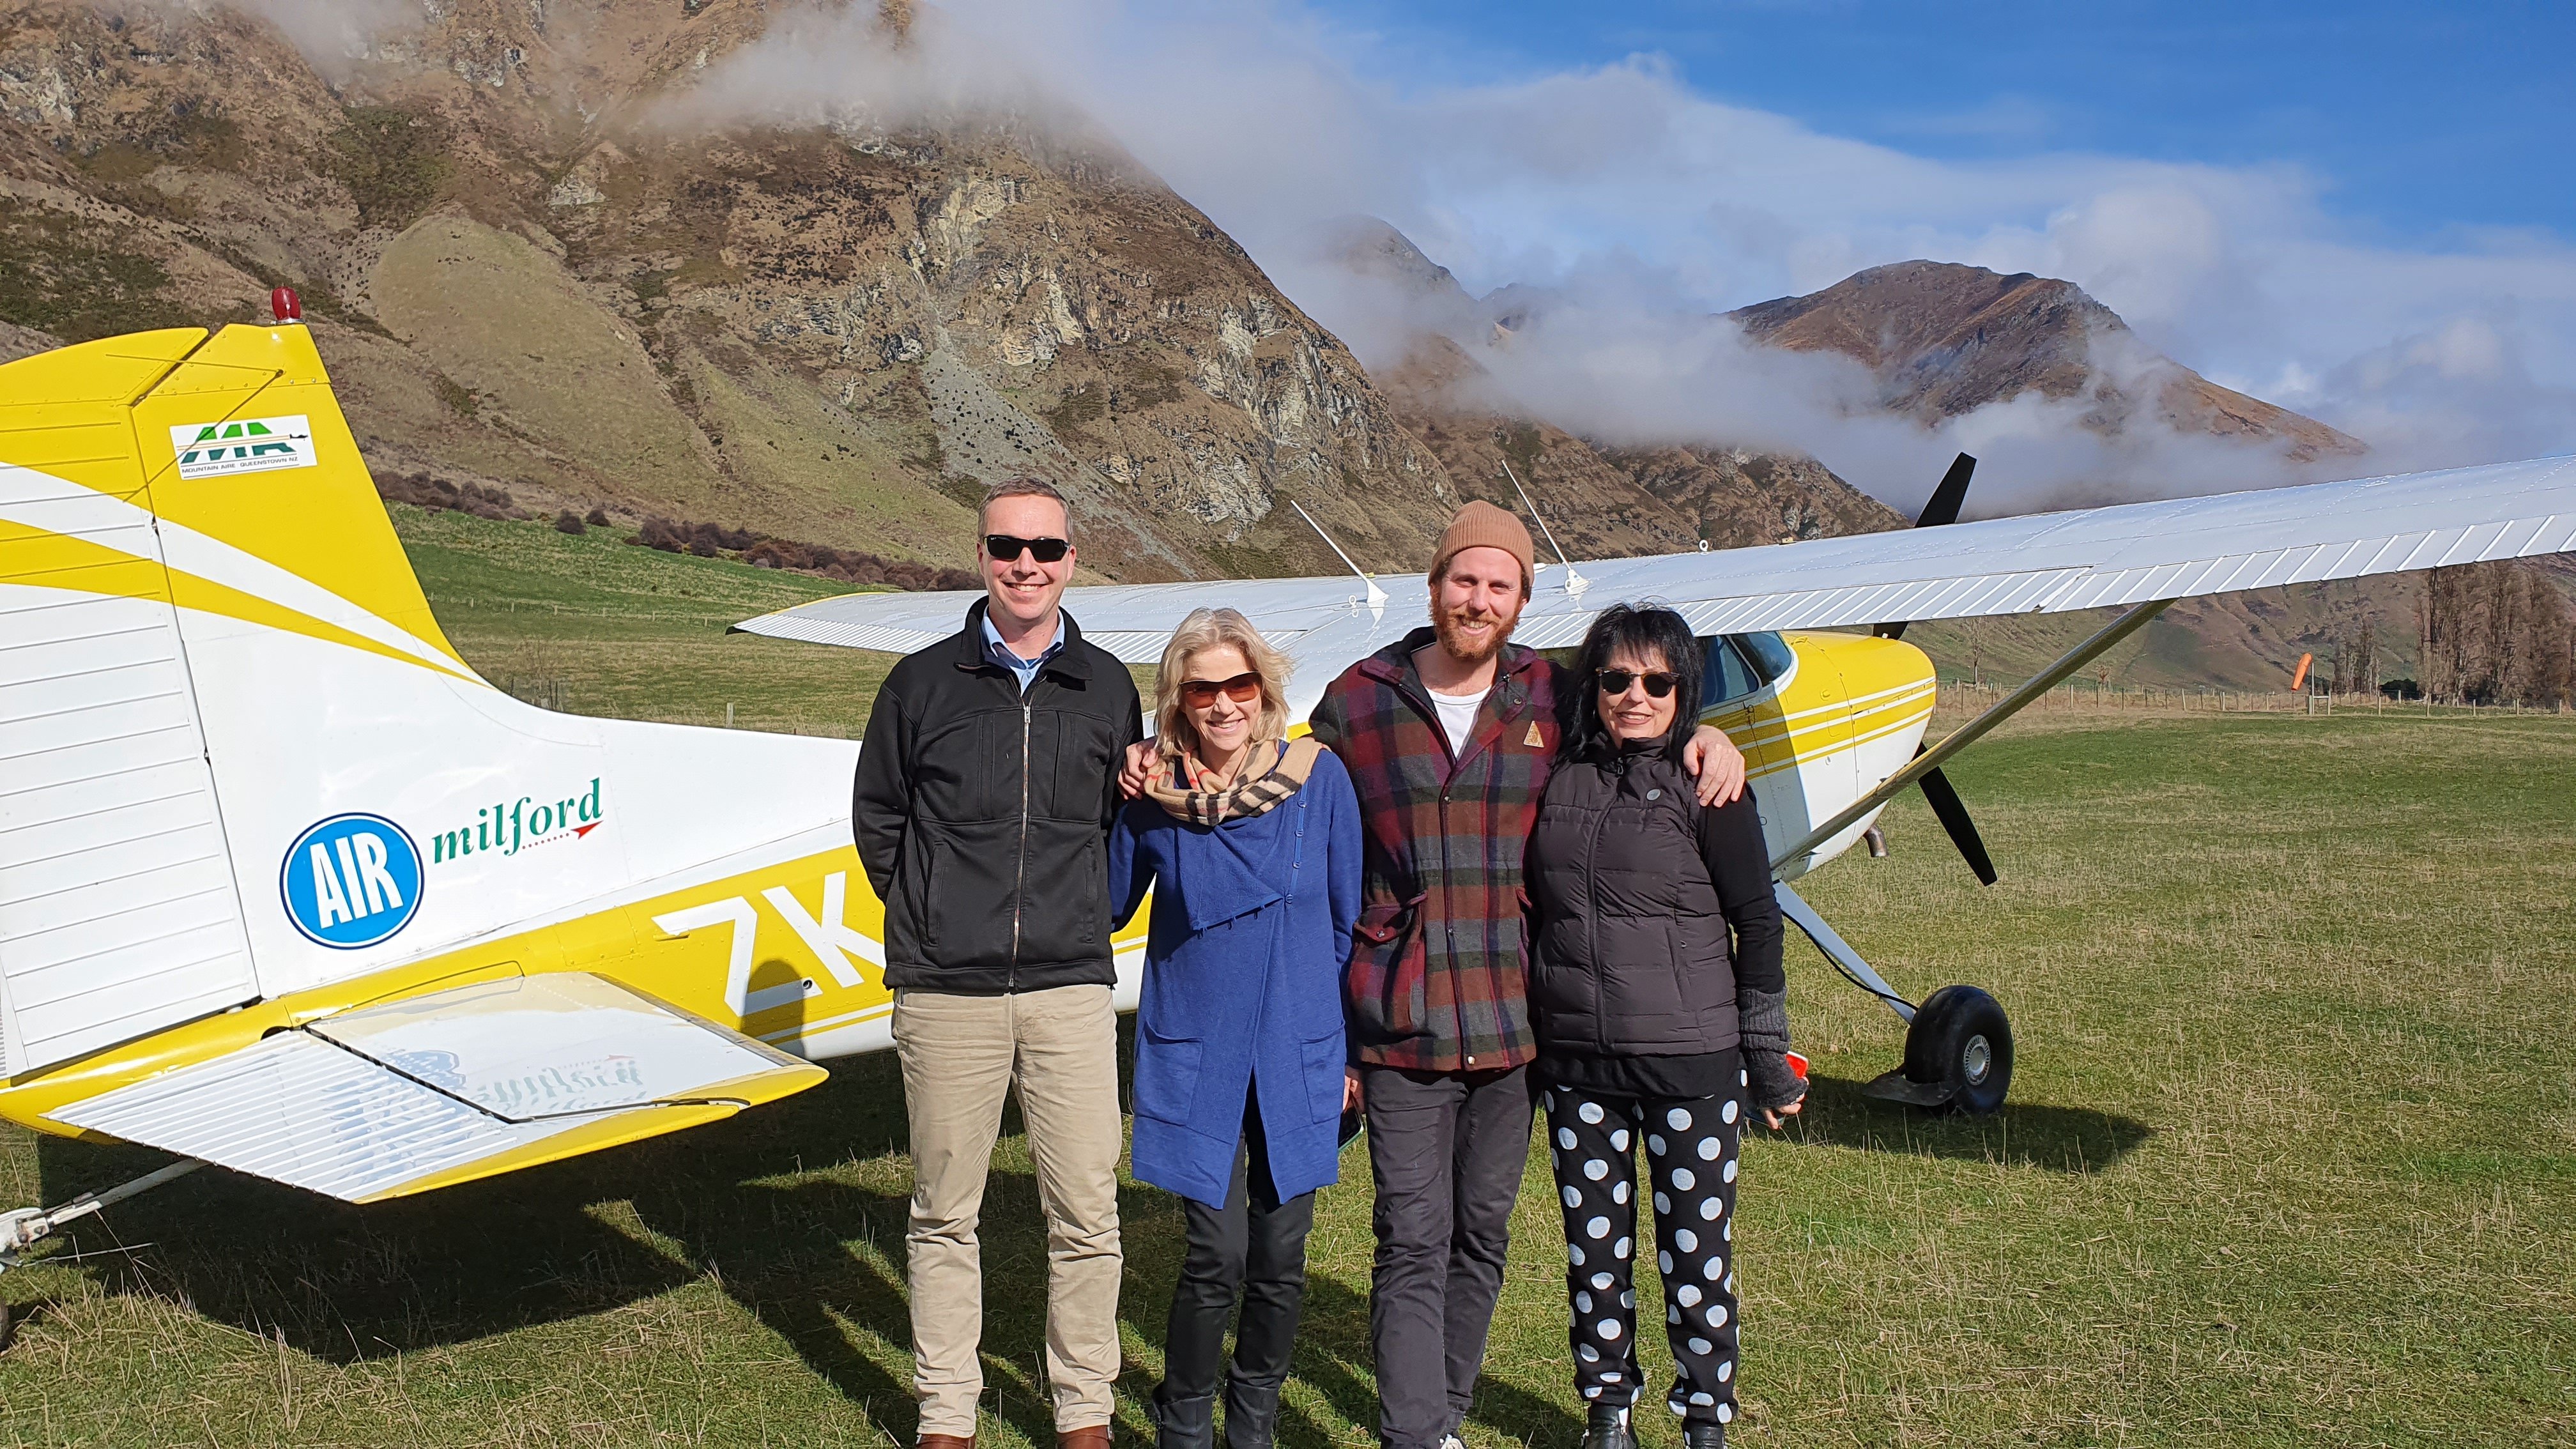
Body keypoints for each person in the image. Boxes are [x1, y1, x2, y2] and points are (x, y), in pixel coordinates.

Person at [1126, 502, 1747, 1449]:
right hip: (1401, 1007)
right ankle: (1414, 1434)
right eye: (1465, 579)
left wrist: (1710, 738)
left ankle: (1448, 1414)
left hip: (1515, 1012)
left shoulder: (1557, 694)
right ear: (1434, 586)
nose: (1479, 598)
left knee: (1482, 1235)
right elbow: (1265, 770)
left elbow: (1643, 715)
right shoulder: (1360, 697)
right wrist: (1157, 758)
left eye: (1501, 585)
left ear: (1522, 599)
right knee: (1412, 1235)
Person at [852, 477, 1140, 1449]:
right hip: (947, 991)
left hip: (1067, 987)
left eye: (1046, 548)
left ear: (1072, 558)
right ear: (981, 556)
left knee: (1087, 1213)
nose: (1027, 565)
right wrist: (932, 915)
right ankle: (946, 1415)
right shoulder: (922, 683)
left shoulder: (1106, 685)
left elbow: (1122, 822)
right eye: (1007, 547)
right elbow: (881, 819)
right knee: (943, 1214)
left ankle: (1085, 1413)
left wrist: (1087, 917)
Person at [1526, 604, 1806, 1449]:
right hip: (1578, 1066)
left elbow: (1757, 923)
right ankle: (1608, 1414)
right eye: (1615, 679)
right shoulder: (1557, 775)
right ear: (1593, 686)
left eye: (1659, 682)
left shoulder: (1710, 783)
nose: (1635, 696)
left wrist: (1766, 1059)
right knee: (1594, 1259)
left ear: (1683, 690)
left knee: (1695, 1259)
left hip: (1692, 1063)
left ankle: (1703, 1421)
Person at [1108, 608, 1364, 1449]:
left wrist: (1354, 1055)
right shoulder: (1153, 799)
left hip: (1299, 1046)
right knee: (1215, 1255)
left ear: (1264, 691)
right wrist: (1114, 784)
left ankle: (1251, 1424)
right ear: (1178, 701)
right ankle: (1183, 1421)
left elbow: (1346, 921)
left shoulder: (1317, 780)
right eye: (1202, 688)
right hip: (1199, 1050)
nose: (1223, 703)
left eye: (1238, 685)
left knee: (1282, 1260)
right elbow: (1109, 904)